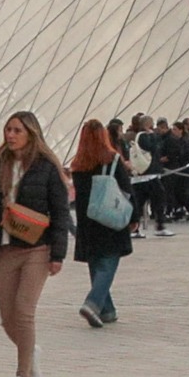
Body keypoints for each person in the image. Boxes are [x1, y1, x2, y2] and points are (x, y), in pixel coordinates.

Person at [0, 111, 70, 377]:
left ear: (31, 133)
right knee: (7, 318)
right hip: (6, 247)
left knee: (24, 310)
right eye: (8, 129)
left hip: (37, 248)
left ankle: (21, 376)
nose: (11, 135)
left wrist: (58, 253)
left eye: (17, 130)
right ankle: (30, 353)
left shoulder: (46, 168)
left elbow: (60, 211)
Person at [70, 119, 132, 328]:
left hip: (88, 220)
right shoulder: (112, 159)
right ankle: (93, 303)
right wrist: (133, 217)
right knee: (108, 263)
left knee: (96, 263)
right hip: (109, 217)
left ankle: (107, 311)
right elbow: (126, 190)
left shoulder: (78, 164)